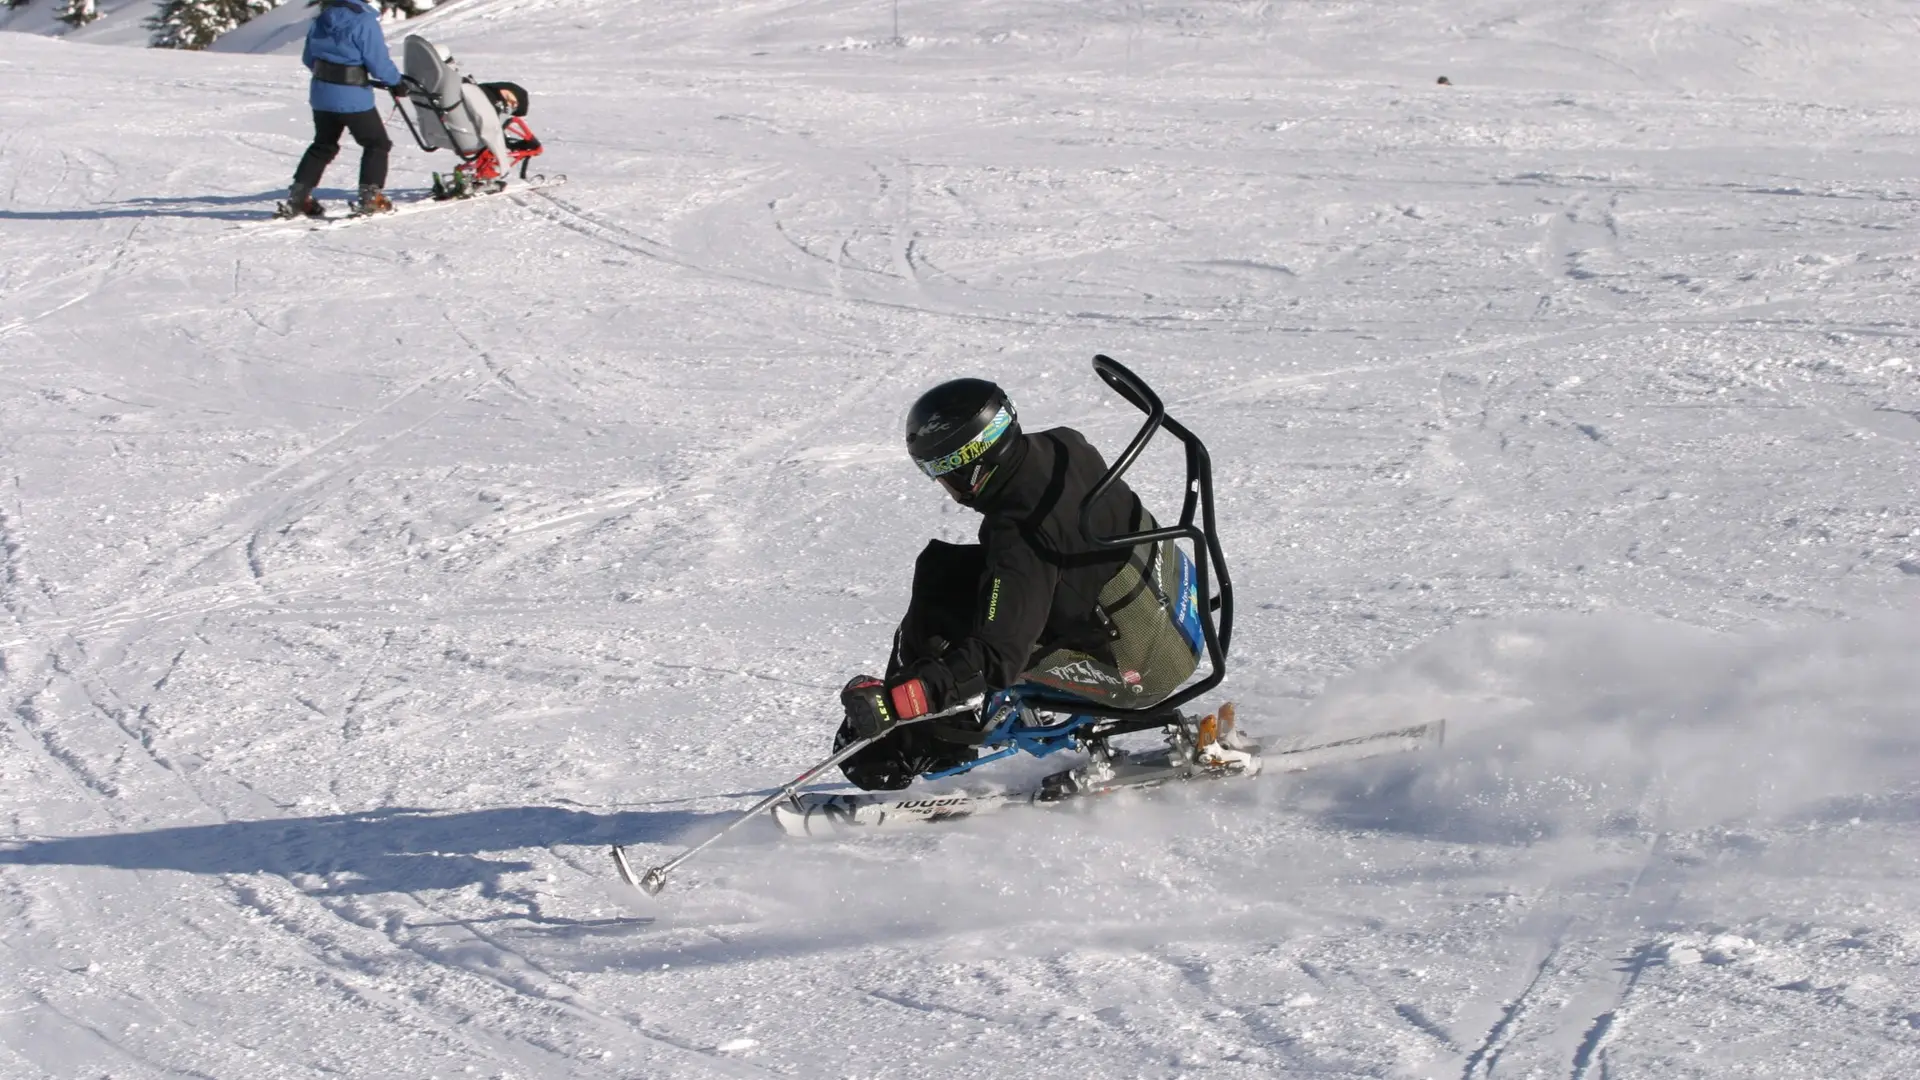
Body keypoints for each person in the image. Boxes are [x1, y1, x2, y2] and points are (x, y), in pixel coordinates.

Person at [835, 378, 1205, 790]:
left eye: (939, 471)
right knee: (941, 574)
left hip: (1139, 664)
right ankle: (924, 725)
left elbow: (997, 657)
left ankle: (912, 746)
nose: (940, 484)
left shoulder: (1021, 536)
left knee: (949, 629)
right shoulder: (1062, 446)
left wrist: (899, 701)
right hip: (1168, 609)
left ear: (969, 467)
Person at [280, 0, 405, 219]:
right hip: (353, 98)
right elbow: (377, 62)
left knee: (323, 145)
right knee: (376, 143)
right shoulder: (364, 20)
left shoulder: (322, 18)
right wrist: (396, 82)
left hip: (321, 94)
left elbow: (308, 58)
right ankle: (370, 197)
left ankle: (299, 196)